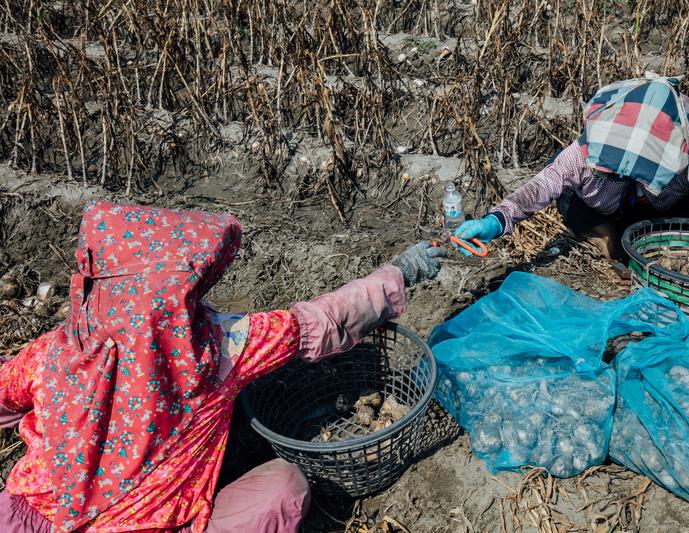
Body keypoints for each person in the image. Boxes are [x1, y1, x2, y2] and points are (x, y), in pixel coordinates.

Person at [0, 200, 445, 533]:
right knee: (283, 488)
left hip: (20, 516)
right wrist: (402, 271)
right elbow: (327, 318)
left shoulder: (53, 353)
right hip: (140, 526)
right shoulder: (218, 352)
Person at [453, 75, 689, 260]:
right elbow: (539, 188)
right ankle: (606, 238)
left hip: (668, 210)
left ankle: (684, 240)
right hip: (603, 210)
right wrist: (495, 221)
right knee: (573, 201)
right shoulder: (582, 155)